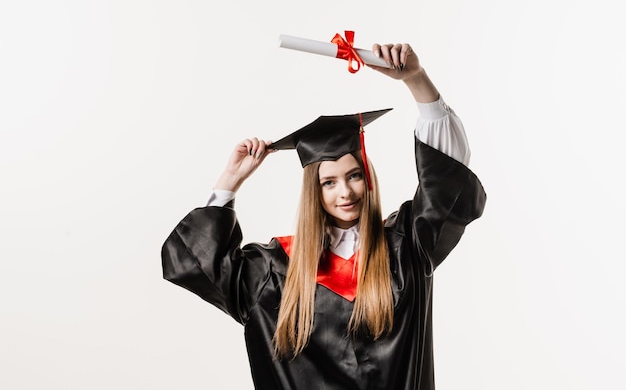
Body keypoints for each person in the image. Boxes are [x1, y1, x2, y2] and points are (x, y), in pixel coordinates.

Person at [161, 42, 487, 390]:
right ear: (313, 192)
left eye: (354, 175)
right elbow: (195, 262)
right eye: (328, 182)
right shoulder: (274, 271)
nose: (344, 192)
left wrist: (416, 79)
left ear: (368, 178)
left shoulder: (407, 247)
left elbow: (448, 183)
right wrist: (230, 181)